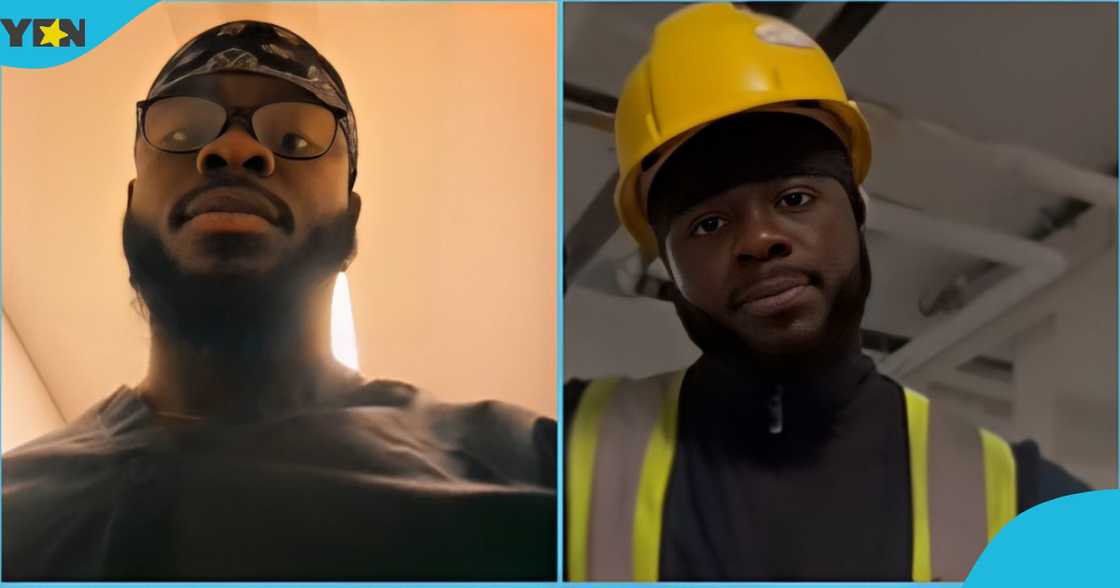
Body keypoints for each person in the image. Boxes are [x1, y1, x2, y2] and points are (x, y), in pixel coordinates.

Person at [3, 21, 555, 581]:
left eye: (294, 139)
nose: (233, 147)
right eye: (179, 133)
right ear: (132, 202)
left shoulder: (539, 474)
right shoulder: (11, 512)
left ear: (351, 216)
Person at [565, 4, 1087, 582]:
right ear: (668, 265)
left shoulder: (1028, 511)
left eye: (794, 199)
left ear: (857, 214)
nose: (760, 239)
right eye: (708, 223)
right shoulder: (559, 457)